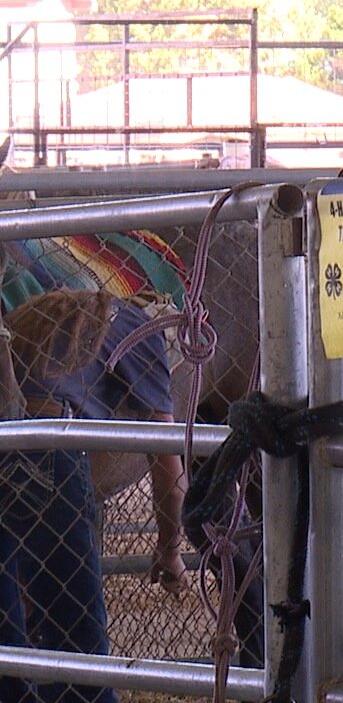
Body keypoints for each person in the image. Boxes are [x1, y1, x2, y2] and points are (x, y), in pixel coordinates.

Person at [0, 290, 188, 703]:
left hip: (4, 428)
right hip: (46, 443)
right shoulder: (146, 335)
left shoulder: (54, 306)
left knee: (5, 636)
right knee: (78, 638)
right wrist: (170, 547)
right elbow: (167, 462)